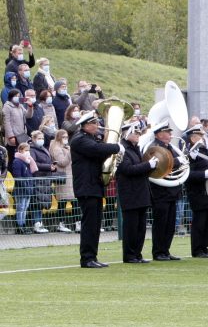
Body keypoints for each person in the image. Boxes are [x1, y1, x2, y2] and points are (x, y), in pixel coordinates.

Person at [69, 111, 121, 268]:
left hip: (94, 186)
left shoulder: (90, 139)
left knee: (95, 223)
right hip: (87, 187)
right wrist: (117, 146)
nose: (97, 126)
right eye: (94, 123)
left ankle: (92, 256)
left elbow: (99, 152)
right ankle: (87, 258)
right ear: (85, 125)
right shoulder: (79, 140)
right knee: (90, 223)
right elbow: (97, 150)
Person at [116, 121, 157, 263]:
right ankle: (129, 255)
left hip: (141, 192)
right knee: (131, 228)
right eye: (135, 133)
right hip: (131, 193)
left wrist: (152, 166)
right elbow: (127, 169)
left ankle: (137, 254)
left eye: (139, 133)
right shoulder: (122, 149)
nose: (138, 135)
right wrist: (148, 165)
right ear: (128, 133)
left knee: (140, 228)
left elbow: (141, 170)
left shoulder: (135, 149)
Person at [183, 124, 208, 259]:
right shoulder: (189, 152)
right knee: (200, 221)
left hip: (207, 191)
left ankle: (204, 247)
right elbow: (187, 174)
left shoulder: (203, 150)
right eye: (200, 136)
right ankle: (197, 249)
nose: (203, 138)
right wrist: (204, 175)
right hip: (197, 191)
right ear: (193, 138)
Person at [148, 121, 182, 261]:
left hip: (171, 190)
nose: (170, 135)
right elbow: (163, 163)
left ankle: (165, 250)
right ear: (159, 134)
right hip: (161, 191)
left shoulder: (170, 147)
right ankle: (158, 252)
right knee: (161, 223)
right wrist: (178, 161)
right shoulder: (155, 147)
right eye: (167, 132)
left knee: (169, 224)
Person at [27, 130, 56, 233]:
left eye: (42, 138)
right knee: (36, 203)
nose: (41, 140)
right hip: (38, 178)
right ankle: (36, 224)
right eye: (39, 138)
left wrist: (52, 165)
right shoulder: (32, 150)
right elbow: (34, 164)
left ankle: (40, 223)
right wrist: (49, 167)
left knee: (40, 203)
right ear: (34, 139)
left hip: (45, 179)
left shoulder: (43, 148)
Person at [49, 129, 75, 233]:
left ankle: (76, 223)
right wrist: (70, 152)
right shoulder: (56, 148)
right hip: (64, 177)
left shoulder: (65, 147)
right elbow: (62, 162)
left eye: (67, 137)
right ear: (59, 137)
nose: (66, 139)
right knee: (63, 201)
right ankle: (61, 223)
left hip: (70, 176)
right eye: (63, 137)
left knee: (74, 201)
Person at [11, 143, 37, 234]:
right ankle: (19, 226)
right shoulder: (17, 161)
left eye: (28, 150)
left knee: (25, 208)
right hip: (21, 189)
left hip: (28, 188)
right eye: (26, 150)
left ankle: (23, 224)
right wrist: (25, 186)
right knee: (20, 208)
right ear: (20, 150)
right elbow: (18, 176)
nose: (27, 152)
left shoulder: (28, 161)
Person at [3, 88, 32, 168]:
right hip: (13, 136)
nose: (18, 97)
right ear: (11, 97)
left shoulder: (20, 106)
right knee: (13, 157)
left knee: (22, 156)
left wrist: (30, 107)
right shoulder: (7, 107)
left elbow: (28, 116)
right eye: (16, 96)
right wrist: (11, 136)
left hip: (22, 135)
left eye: (19, 96)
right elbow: (7, 123)